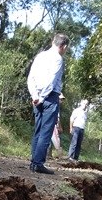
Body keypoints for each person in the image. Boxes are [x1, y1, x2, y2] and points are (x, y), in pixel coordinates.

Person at [27, 33, 70, 174]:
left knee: (38, 130)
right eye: (66, 48)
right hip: (49, 98)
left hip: (37, 97)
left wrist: (35, 95)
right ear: (63, 46)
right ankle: (38, 163)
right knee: (46, 131)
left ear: (53, 41)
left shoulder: (40, 56)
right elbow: (50, 82)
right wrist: (42, 97)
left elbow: (31, 77)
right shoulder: (58, 59)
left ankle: (34, 162)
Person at [50, 94, 65, 159]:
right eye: (60, 99)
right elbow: (57, 117)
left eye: (62, 99)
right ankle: (60, 155)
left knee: (52, 139)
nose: (61, 101)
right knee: (56, 138)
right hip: (52, 123)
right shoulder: (55, 105)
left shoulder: (57, 106)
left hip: (53, 123)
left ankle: (48, 155)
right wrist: (59, 126)